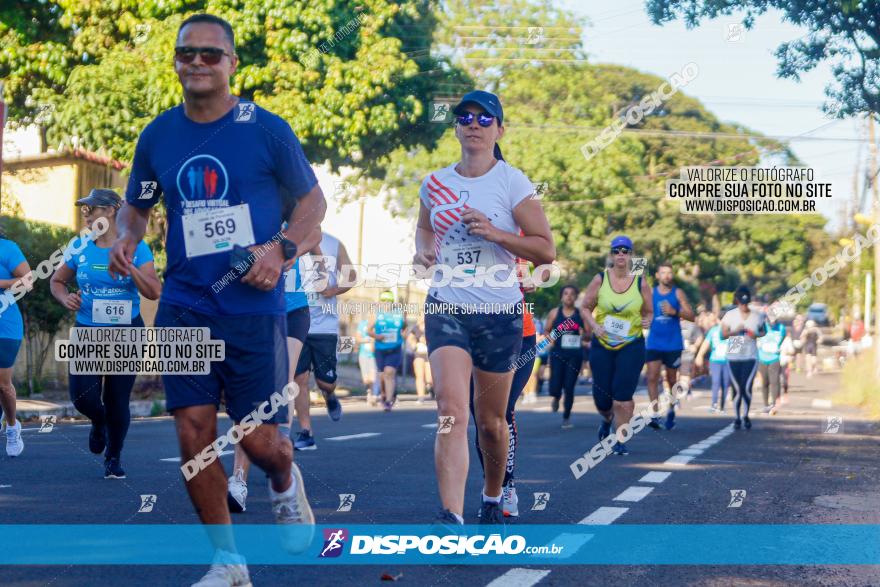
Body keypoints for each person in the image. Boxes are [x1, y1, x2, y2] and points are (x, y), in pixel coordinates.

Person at [111, 13, 326, 586]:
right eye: (188, 54)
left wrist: (279, 251)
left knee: (260, 442)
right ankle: (228, 562)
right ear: (177, 62)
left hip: (254, 305)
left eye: (211, 54)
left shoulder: (264, 127)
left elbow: (312, 205)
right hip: (185, 302)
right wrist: (126, 237)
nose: (198, 63)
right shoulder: (158, 135)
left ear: (233, 64)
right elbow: (139, 203)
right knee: (192, 429)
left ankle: (284, 480)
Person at [413, 89, 555, 526]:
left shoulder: (512, 181)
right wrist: (423, 253)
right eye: (465, 117)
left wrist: (497, 234)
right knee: (451, 411)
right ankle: (451, 515)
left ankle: (493, 494)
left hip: (499, 313)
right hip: (447, 306)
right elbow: (422, 229)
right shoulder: (434, 182)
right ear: (456, 127)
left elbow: (545, 250)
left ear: (498, 129)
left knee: (491, 421)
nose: (473, 124)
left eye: (483, 118)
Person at [50, 189, 162, 478]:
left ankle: (113, 456)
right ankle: (99, 422)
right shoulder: (79, 246)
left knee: (117, 399)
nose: (85, 214)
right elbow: (58, 281)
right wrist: (65, 298)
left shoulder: (137, 247)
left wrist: (130, 269)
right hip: (88, 330)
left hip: (126, 332)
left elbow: (154, 291)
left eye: (92, 209)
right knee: (82, 398)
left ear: (112, 210)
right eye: (83, 210)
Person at [226, 215, 322, 513]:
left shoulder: (287, 206)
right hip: (252, 310)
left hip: (293, 308)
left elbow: (315, 231)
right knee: (248, 392)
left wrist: (290, 252)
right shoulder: (241, 213)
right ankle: (238, 479)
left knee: (282, 382)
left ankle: (281, 457)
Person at [582, 236, 653, 455]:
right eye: (617, 251)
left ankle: (620, 439)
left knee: (622, 397)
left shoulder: (641, 282)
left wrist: (648, 319)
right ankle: (606, 419)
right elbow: (585, 307)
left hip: (631, 344)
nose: (621, 255)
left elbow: (650, 310)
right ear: (612, 255)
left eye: (625, 251)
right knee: (603, 399)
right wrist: (594, 325)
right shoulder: (600, 279)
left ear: (631, 255)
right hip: (602, 344)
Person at [292, 231, 353, 450]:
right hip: (297, 319)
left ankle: (329, 394)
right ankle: (306, 432)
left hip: (324, 325)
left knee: (325, 382)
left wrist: (334, 289)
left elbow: (352, 276)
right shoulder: (288, 237)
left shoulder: (333, 243)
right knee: (299, 379)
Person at [645, 262, 695, 430]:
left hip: (673, 343)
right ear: (657, 276)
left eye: (669, 273)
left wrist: (675, 312)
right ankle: (654, 413)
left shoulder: (678, 293)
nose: (666, 275)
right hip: (654, 342)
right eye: (663, 272)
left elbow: (691, 315)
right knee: (652, 377)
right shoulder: (651, 293)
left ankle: (672, 409)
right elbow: (643, 312)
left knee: (671, 379)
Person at [0, 229, 32, 457]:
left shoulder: (8, 248)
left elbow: (28, 281)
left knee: (3, 384)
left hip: (6, 326)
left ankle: (12, 426)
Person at [720, 285, 766, 430]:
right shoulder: (730, 315)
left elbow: (764, 331)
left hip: (750, 356)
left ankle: (745, 415)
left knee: (746, 387)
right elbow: (723, 335)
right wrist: (735, 331)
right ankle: (737, 417)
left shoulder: (757, 315)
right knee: (737, 388)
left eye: (746, 303)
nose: (744, 306)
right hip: (734, 356)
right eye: (741, 303)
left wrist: (755, 334)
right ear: (737, 301)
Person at [544, 285, 588, 428]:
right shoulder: (555, 313)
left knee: (569, 387)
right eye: (566, 293)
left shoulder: (580, 314)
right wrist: (551, 339)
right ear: (561, 297)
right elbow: (546, 331)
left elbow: (589, 334)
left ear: (576, 297)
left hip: (574, 355)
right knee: (555, 385)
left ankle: (566, 417)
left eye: (572, 294)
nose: (568, 296)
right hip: (558, 354)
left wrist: (584, 333)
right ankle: (556, 397)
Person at [370, 291, 406, 411]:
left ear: (392, 302)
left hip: (395, 348)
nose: (386, 304)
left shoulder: (399, 314)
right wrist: (377, 336)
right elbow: (369, 330)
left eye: (388, 301)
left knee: (389, 372)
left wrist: (404, 335)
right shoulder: (376, 314)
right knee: (382, 375)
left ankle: (388, 401)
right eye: (383, 301)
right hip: (380, 349)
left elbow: (405, 328)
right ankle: (385, 394)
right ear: (380, 302)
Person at [695, 312, 730, 413]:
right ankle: (714, 404)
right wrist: (700, 355)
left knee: (725, 383)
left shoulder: (733, 331)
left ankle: (723, 406)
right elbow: (706, 343)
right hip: (715, 360)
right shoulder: (713, 331)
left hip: (728, 361)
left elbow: (737, 348)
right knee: (716, 381)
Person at [757, 312, 786, 414]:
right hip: (762, 358)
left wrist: (777, 347)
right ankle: (766, 405)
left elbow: (782, 338)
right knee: (765, 382)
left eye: (774, 320)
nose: (772, 323)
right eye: (770, 320)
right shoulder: (761, 326)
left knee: (775, 381)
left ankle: (774, 405)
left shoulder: (781, 328)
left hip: (774, 358)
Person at [407, 317, 432, 404]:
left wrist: (425, 341)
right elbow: (410, 338)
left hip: (429, 353)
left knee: (430, 378)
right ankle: (421, 397)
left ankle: (430, 388)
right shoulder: (415, 328)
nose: (422, 318)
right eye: (421, 315)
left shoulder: (431, 326)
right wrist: (413, 345)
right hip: (419, 353)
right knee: (419, 376)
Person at [356, 317, 379, 405]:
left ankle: (373, 395)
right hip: (363, 354)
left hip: (374, 355)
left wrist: (374, 342)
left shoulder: (379, 324)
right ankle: (369, 392)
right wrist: (366, 340)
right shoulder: (362, 324)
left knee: (373, 376)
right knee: (366, 379)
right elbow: (357, 339)